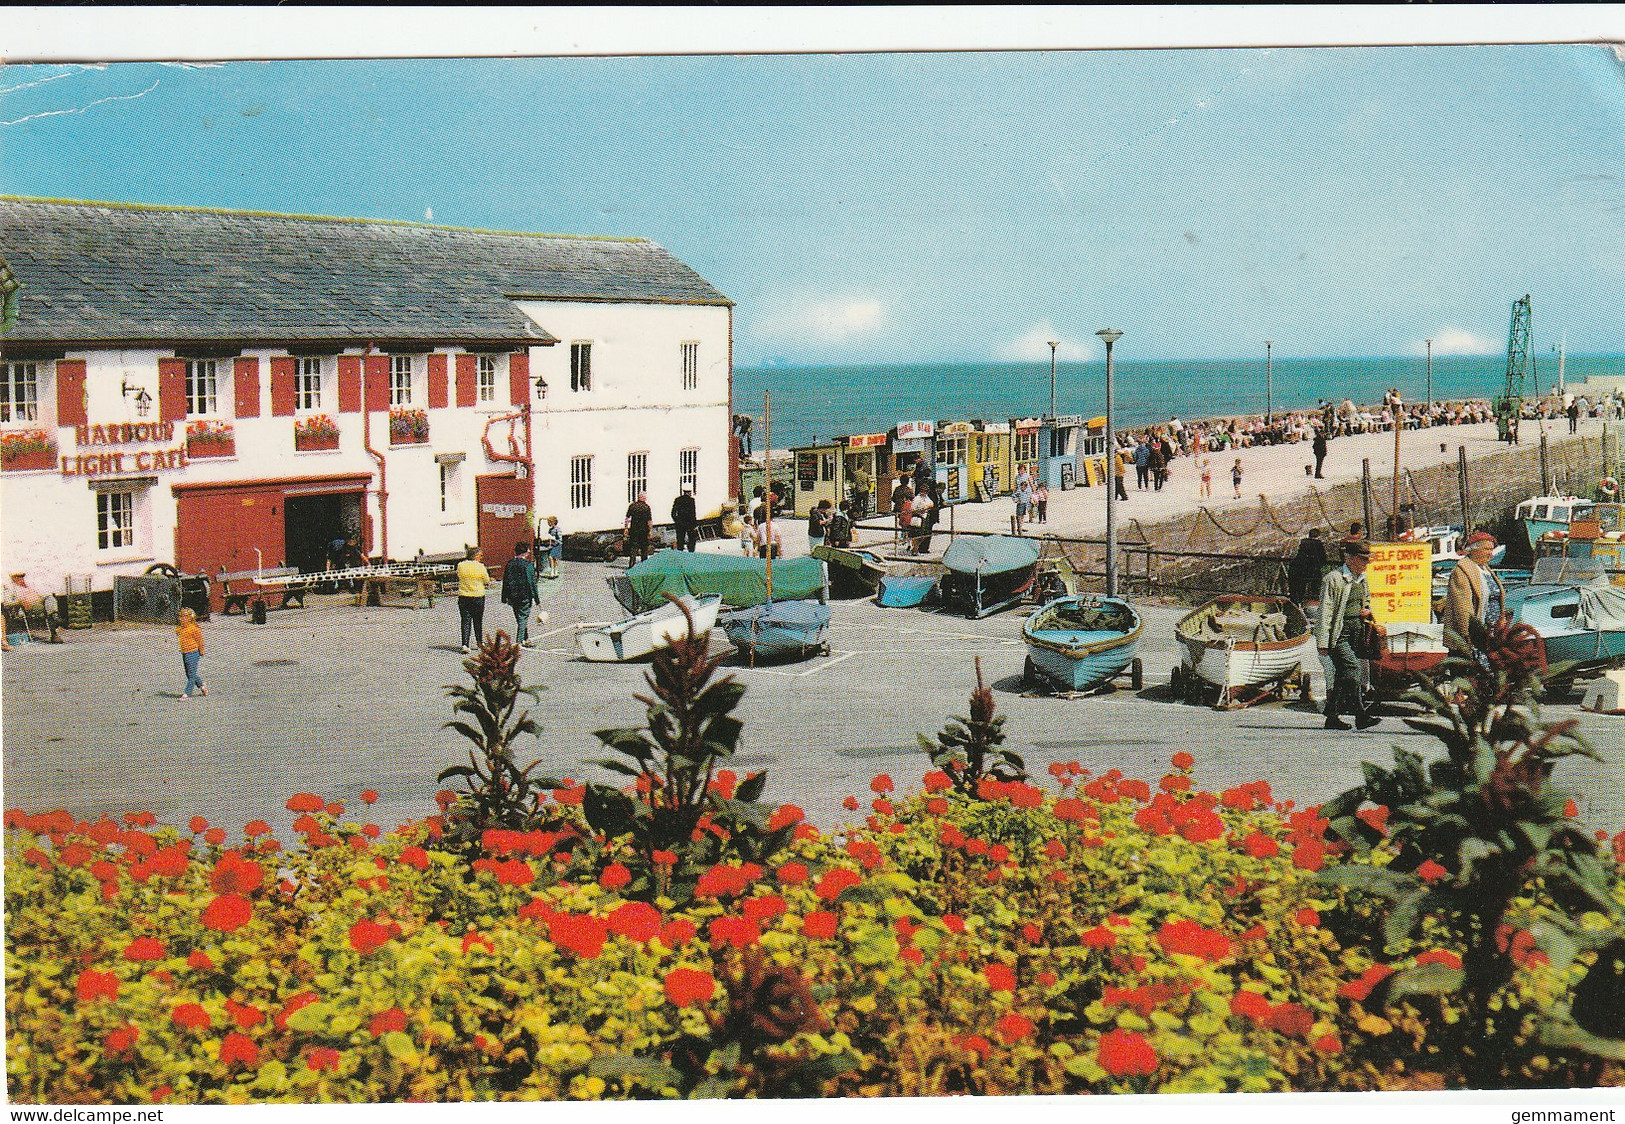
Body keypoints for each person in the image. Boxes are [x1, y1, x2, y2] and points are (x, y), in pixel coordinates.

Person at [1315, 539, 1380, 730]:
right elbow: (1325, 612)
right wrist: (1323, 641)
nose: (1366, 564)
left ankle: (1332, 716)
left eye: (1367, 560)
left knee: (1344, 675)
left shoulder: (1362, 579)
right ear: (1349, 558)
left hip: (1356, 632)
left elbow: (1366, 600)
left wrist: (1366, 610)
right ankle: (1361, 715)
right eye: (1362, 560)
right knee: (1353, 670)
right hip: (1339, 633)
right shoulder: (1333, 579)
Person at [1441, 531, 1506, 659]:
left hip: (1491, 634)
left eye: (1492, 549)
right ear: (1474, 550)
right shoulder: (1462, 571)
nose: (1491, 553)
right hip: (1476, 637)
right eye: (1487, 549)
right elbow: (1462, 608)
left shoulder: (1485, 569)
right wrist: (1469, 636)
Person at [500, 541, 541, 648]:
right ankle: (518, 641)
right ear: (526, 552)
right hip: (524, 595)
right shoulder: (527, 565)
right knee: (523, 617)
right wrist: (537, 599)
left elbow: (505, 581)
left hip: (512, 595)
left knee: (520, 617)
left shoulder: (510, 564)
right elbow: (532, 583)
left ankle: (525, 638)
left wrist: (504, 597)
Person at [3, 571, 61, 643]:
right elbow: (7, 603)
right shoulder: (11, 588)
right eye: (18, 576)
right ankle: (55, 622)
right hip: (29, 607)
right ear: (13, 578)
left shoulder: (29, 586)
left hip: (41, 603)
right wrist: (20, 602)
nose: (21, 578)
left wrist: (43, 597)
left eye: (22, 576)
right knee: (49, 609)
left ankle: (54, 615)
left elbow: (41, 595)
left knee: (50, 597)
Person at [456, 547, 492, 653]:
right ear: (475, 556)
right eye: (481, 556)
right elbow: (486, 580)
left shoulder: (460, 565)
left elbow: (459, 576)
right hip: (477, 595)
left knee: (465, 620)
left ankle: (465, 644)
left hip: (463, 595)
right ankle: (479, 642)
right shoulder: (480, 567)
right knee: (477, 620)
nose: (481, 558)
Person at [1288, 528, 1328, 605]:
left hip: (1298, 570)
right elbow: (1323, 559)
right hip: (1311, 571)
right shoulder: (1318, 544)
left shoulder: (1303, 543)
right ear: (1318, 536)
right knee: (1314, 589)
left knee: (1297, 593)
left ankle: (1296, 605)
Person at [175, 606, 206, 699]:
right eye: (180, 616)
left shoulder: (194, 629)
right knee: (189, 673)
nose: (181, 618)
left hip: (193, 652)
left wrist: (201, 651)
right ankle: (202, 686)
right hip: (185, 652)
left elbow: (200, 641)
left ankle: (187, 693)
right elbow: (178, 633)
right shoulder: (181, 629)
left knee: (191, 674)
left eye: (184, 616)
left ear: (189, 618)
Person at [624, 492, 653, 564]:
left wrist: (626, 528)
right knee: (644, 548)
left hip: (634, 530)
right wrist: (650, 531)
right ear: (644, 498)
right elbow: (649, 521)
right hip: (644, 530)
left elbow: (627, 518)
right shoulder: (646, 507)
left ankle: (631, 564)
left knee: (633, 548)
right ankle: (644, 565)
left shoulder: (632, 506)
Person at [671, 484, 699, 552]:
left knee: (680, 539)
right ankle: (691, 552)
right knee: (692, 539)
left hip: (680, 523)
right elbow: (693, 513)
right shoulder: (691, 500)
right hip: (689, 523)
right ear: (689, 492)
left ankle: (680, 552)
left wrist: (676, 520)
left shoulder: (678, 500)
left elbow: (673, 513)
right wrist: (695, 524)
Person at [910, 485, 936, 554]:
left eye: (926, 491)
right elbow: (912, 509)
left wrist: (927, 506)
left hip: (925, 517)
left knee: (924, 534)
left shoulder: (927, 498)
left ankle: (916, 548)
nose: (924, 493)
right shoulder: (917, 498)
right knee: (918, 534)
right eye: (923, 491)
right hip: (918, 517)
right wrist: (920, 511)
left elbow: (931, 503)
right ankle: (915, 549)